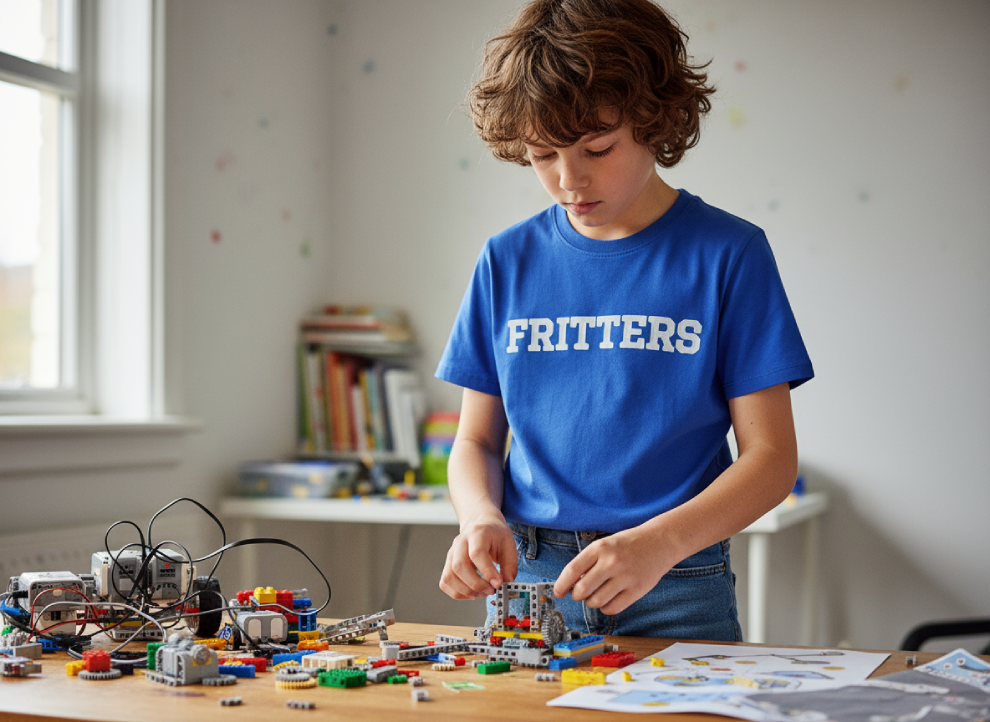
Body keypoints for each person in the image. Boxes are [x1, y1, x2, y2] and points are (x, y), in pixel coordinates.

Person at [435, 0, 813, 641]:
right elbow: (475, 441)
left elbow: (772, 460)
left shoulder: (729, 254)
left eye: (597, 148)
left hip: (678, 579)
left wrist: (657, 545)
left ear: (653, 119)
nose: (568, 179)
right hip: (529, 579)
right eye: (542, 155)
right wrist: (478, 518)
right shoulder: (506, 260)